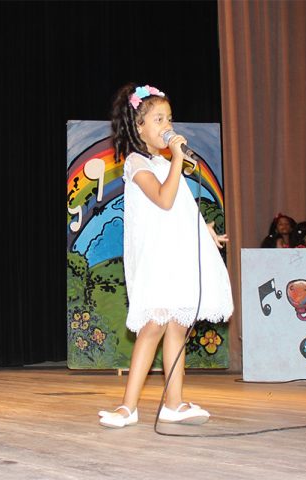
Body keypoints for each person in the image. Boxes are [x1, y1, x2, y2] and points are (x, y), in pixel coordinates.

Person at [98, 84, 233, 428]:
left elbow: (184, 206)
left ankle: (174, 402)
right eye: (158, 119)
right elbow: (163, 199)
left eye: (169, 118)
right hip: (156, 256)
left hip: (178, 254)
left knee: (178, 325)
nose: (166, 125)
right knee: (153, 325)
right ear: (138, 126)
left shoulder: (163, 161)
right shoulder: (136, 162)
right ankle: (128, 406)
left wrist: (206, 230)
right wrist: (176, 161)